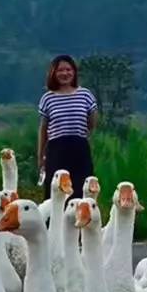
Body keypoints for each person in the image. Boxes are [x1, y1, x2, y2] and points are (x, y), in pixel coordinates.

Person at [37, 54, 98, 201]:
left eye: (68, 69)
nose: (65, 73)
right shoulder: (48, 98)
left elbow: (92, 121)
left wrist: (82, 135)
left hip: (79, 148)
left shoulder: (85, 95)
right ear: (54, 73)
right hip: (56, 150)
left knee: (81, 190)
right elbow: (43, 129)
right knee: (56, 191)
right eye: (60, 70)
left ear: (74, 72)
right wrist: (40, 156)